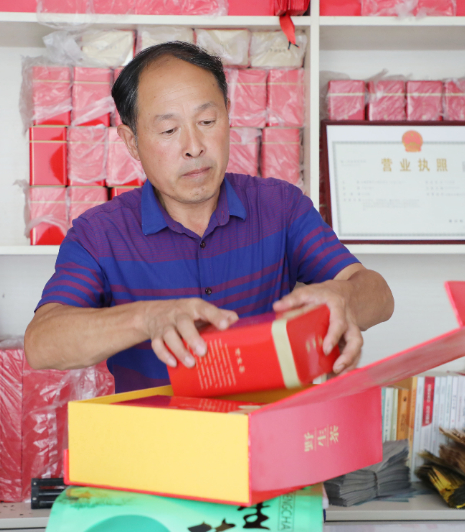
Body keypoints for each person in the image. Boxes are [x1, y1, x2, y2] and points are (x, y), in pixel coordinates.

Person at [25, 42, 394, 393]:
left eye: (207, 121)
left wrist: (344, 298)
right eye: (169, 130)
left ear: (228, 115)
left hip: (265, 430)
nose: (194, 147)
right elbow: (41, 343)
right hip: (156, 433)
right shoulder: (98, 234)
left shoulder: (280, 206)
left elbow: (379, 294)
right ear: (131, 141)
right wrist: (147, 319)